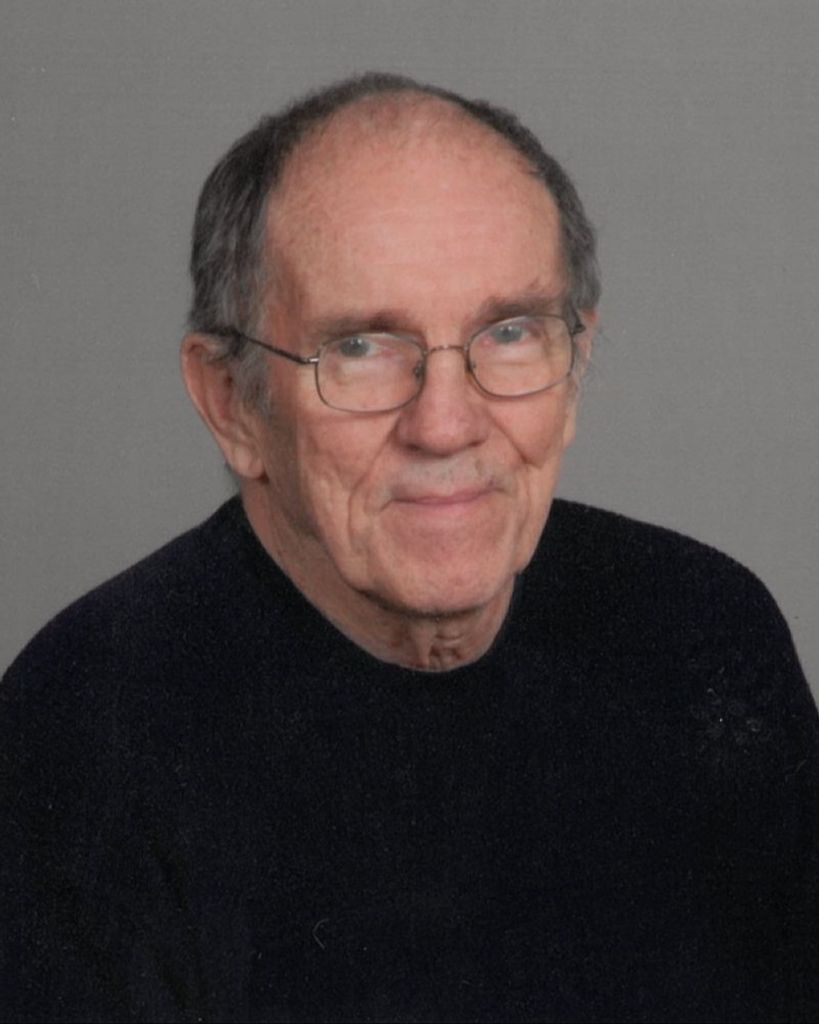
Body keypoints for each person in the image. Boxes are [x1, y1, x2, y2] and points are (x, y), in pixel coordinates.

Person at [1, 72, 817, 1023]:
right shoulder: (81, 736)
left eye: (508, 333)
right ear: (233, 404)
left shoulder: (702, 632)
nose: (445, 424)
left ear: (575, 366)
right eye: (359, 347)